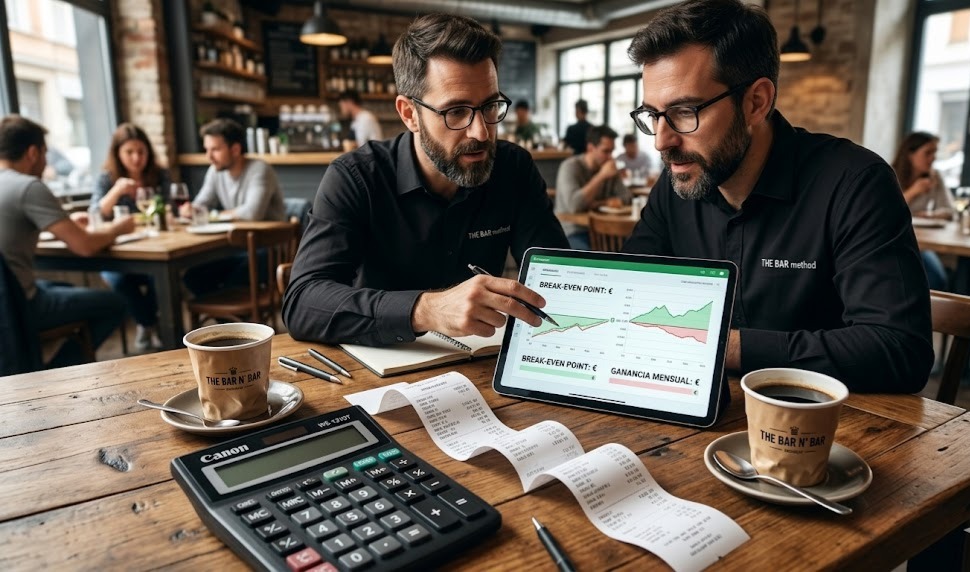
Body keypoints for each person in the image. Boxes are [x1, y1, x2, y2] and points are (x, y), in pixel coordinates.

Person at [621, 0, 932, 394]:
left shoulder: (854, 182)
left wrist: (723, 346)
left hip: (829, 428)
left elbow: (900, 350)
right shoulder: (675, 187)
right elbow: (625, 300)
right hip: (696, 410)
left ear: (756, 102)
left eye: (685, 111)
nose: (662, 141)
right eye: (653, 115)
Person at [283, 14, 569, 347]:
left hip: (482, 362)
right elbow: (302, 303)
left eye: (490, 106)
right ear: (409, 114)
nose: (481, 132)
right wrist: (425, 309)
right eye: (456, 112)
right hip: (385, 362)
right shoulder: (356, 177)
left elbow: (557, 276)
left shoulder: (513, 167)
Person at [0, 115, 132, 367]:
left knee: (67, 290)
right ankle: (53, 373)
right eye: (45, 153)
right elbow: (84, 247)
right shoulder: (28, 187)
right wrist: (118, 228)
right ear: (32, 152)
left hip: (9, 298)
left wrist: (67, 223)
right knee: (115, 303)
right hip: (16, 306)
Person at [182, 118, 286, 297]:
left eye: (215, 149)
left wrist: (213, 214)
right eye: (207, 149)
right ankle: (228, 322)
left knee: (230, 284)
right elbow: (200, 205)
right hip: (236, 247)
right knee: (192, 277)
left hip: (269, 250)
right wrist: (190, 210)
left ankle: (240, 321)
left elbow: (253, 213)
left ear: (235, 149)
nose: (209, 156)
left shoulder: (260, 169)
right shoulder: (215, 171)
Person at [90, 123, 171, 350]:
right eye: (129, 152)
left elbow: (169, 208)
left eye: (141, 152)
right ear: (117, 153)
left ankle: (152, 327)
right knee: (118, 280)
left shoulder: (159, 174)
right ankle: (150, 324)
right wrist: (116, 191)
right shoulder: (107, 179)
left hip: (155, 249)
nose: (136, 158)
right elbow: (95, 214)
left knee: (161, 277)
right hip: (119, 256)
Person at [891, 131, 953, 291]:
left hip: (922, 242)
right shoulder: (890, 174)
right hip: (896, 241)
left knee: (949, 274)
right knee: (937, 279)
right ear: (910, 154)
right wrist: (913, 192)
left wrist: (930, 215)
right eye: (928, 152)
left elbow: (949, 210)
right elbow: (885, 211)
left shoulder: (934, 177)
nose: (933, 157)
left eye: (935, 152)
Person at [555, 125, 631, 250]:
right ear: (590, 148)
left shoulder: (609, 167)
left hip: (604, 230)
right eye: (606, 151)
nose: (610, 157)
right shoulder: (570, 167)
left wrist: (598, 203)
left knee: (635, 249)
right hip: (573, 230)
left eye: (612, 151)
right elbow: (575, 205)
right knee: (590, 256)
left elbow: (627, 196)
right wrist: (601, 176)